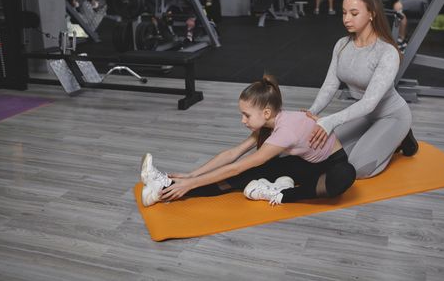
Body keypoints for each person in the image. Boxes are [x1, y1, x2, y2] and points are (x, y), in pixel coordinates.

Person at [140, 75, 356, 207]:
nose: (243, 120)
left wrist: (192, 182)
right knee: (240, 178)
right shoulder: (271, 123)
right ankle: (164, 187)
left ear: (267, 111)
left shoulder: (284, 132)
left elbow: (237, 166)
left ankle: (279, 193)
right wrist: (191, 175)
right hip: (304, 165)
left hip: (330, 167)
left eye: (247, 115)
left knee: (346, 175)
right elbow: (233, 154)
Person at [306, 0, 418, 180]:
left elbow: (369, 103)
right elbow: (330, 85)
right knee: (323, 154)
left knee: (356, 169)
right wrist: (312, 112)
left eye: (354, 13)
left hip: (390, 116)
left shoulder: (387, 52)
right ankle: (377, 137)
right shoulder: (342, 44)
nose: (346, 19)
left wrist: (331, 120)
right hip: (363, 116)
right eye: (344, 13)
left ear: (372, 14)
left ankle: (400, 139)